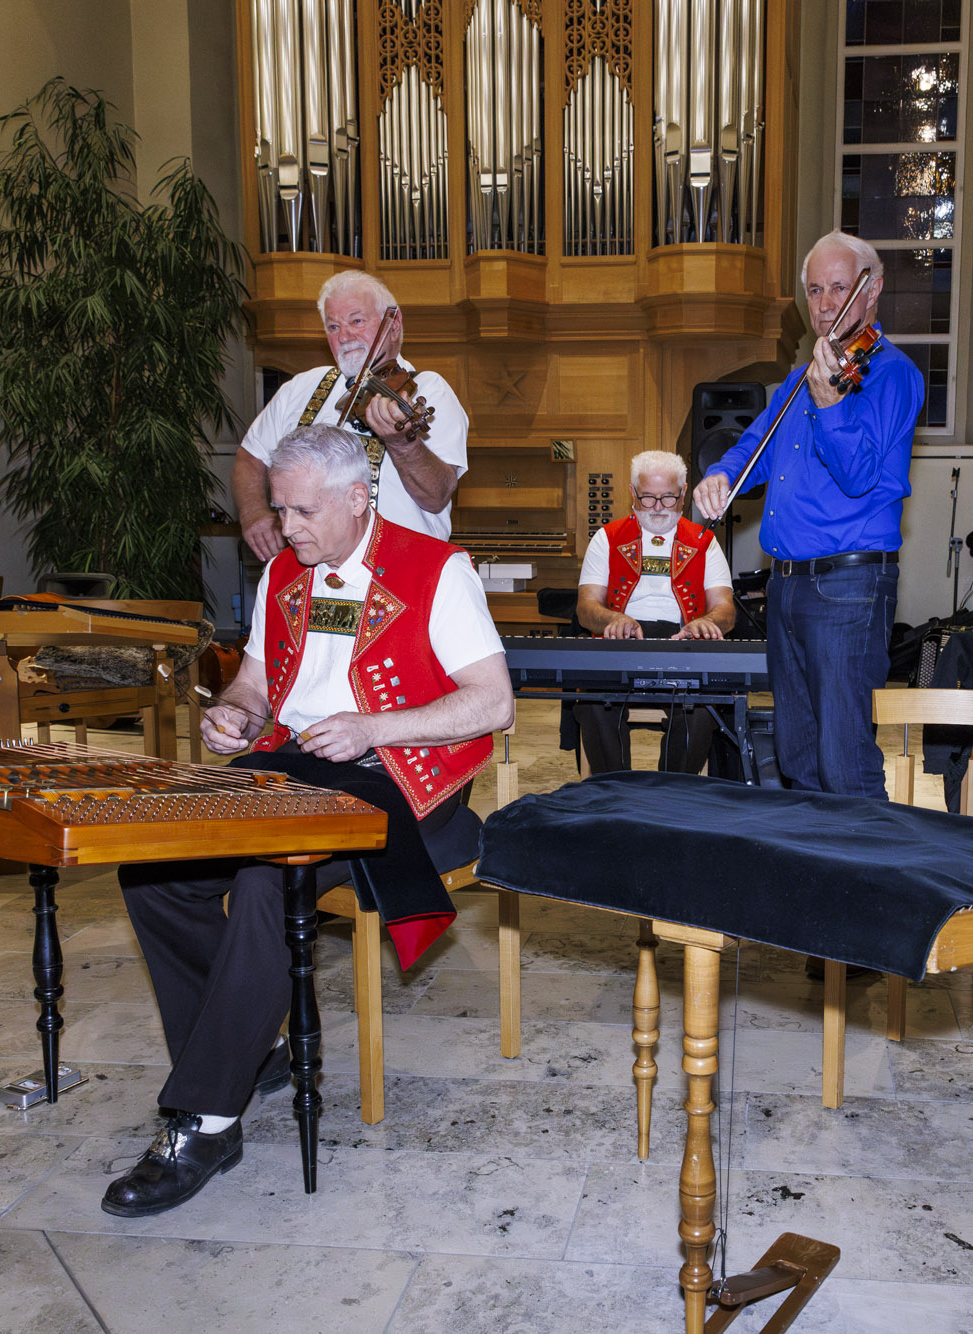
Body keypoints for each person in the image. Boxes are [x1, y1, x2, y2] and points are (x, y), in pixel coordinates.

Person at [105, 424, 511, 1219]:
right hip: (297, 768)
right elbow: (256, 684)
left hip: (402, 782)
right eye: (279, 509)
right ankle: (245, 1048)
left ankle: (205, 1120)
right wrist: (235, 713)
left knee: (270, 883)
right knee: (153, 873)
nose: (283, 527)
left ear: (358, 498)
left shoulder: (438, 570)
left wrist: (372, 728)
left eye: (301, 511)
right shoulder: (284, 572)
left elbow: (493, 703)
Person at [691, 232, 922, 798]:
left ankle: (869, 855)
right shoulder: (798, 381)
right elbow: (753, 448)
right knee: (796, 752)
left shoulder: (891, 374)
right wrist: (722, 474)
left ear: (872, 290)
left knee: (844, 760)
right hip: (787, 586)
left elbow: (858, 475)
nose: (824, 304)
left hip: (848, 587)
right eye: (815, 290)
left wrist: (832, 405)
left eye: (839, 288)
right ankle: (816, 852)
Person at [231, 270, 470, 555]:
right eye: (333, 326)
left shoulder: (430, 390)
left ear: (393, 325)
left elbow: (436, 496)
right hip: (313, 570)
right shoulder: (300, 387)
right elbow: (250, 456)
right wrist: (253, 513)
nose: (344, 336)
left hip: (399, 566)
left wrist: (402, 443)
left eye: (357, 321)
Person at [573, 449, 737, 774]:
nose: (659, 507)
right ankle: (614, 790)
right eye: (648, 498)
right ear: (632, 493)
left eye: (668, 497)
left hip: (681, 643)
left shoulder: (704, 541)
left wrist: (706, 623)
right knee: (593, 702)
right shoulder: (606, 538)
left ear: (684, 493)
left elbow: (726, 610)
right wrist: (612, 618)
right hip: (620, 644)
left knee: (700, 710)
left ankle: (671, 791)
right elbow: (586, 608)